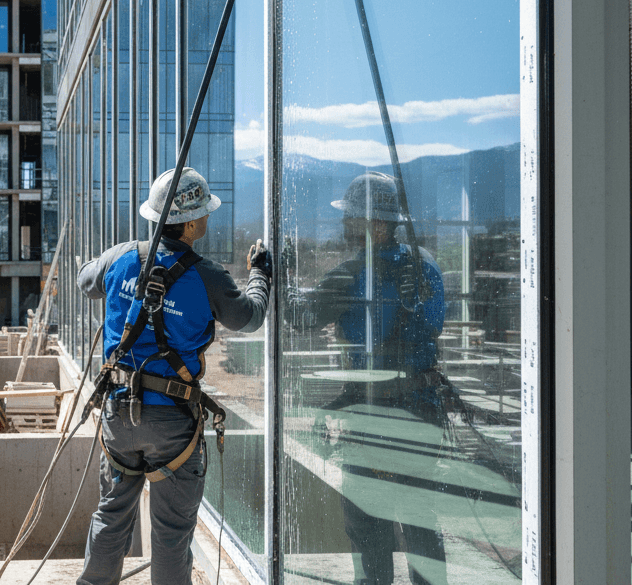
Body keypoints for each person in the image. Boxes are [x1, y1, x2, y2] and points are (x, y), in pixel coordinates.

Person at [76, 166, 272, 585]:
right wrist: (261, 273)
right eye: (205, 213)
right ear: (193, 221)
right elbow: (250, 317)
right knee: (170, 534)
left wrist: (120, 258)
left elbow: (85, 280)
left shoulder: (121, 256)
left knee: (111, 514)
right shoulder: (208, 277)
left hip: (119, 415)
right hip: (172, 420)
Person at [288, 171, 448, 585]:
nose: (344, 225)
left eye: (352, 218)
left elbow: (300, 317)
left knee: (368, 522)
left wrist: (279, 275)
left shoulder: (352, 274)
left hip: (376, 413)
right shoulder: (426, 266)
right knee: (418, 518)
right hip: (422, 409)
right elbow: (434, 326)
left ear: (376, 224)